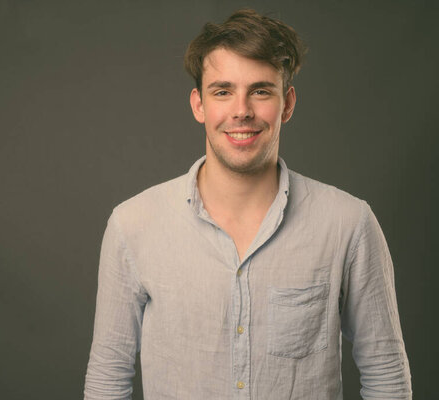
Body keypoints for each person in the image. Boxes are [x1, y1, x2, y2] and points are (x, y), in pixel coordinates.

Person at [84, 9, 412, 400]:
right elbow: (108, 378)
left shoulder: (348, 223)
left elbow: (385, 374)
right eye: (223, 91)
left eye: (260, 90)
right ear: (199, 105)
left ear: (287, 103)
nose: (242, 110)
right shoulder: (132, 225)